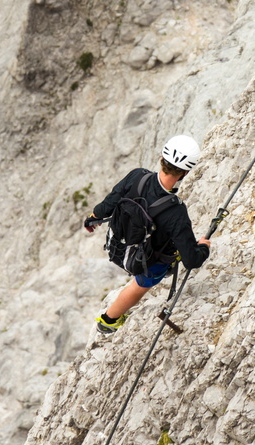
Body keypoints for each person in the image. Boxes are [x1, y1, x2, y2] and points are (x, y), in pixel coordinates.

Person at [84, 135, 211, 334]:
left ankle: (108, 323)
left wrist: (93, 218)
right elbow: (192, 260)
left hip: (118, 245)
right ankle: (108, 321)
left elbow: (108, 205)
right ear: (185, 172)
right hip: (146, 262)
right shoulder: (176, 212)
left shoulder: (137, 176)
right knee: (141, 283)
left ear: (162, 158)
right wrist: (203, 247)